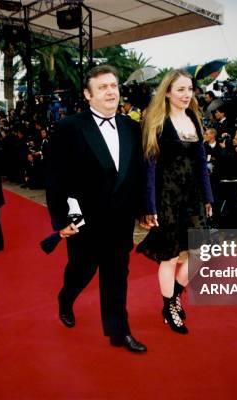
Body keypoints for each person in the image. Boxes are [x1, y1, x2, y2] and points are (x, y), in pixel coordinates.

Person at [45, 64, 146, 353]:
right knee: (81, 271)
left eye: (113, 85)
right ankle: (66, 298)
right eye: (102, 87)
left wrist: (143, 209)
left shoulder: (132, 127)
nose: (111, 91)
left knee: (116, 276)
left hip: (120, 221)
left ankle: (119, 332)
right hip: (84, 221)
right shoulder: (69, 127)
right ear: (88, 95)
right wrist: (60, 220)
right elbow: (55, 178)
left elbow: (135, 174)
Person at [137, 69, 213, 335]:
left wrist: (208, 196)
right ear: (167, 91)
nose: (186, 94)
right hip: (166, 198)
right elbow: (148, 167)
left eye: (189, 89)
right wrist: (149, 206)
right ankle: (170, 308)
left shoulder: (193, 117)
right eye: (180, 89)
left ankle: (174, 296)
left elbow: (201, 163)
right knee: (168, 258)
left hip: (193, 197)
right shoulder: (156, 121)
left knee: (201, 253)